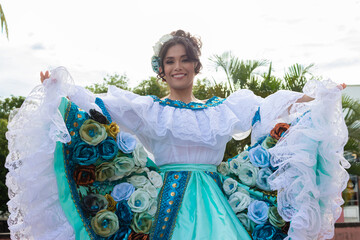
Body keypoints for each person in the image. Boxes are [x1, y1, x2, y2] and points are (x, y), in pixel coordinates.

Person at [6, 30, 348, 240]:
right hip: (163, 205)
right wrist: (57, 88)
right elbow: (97, 105)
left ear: (196, 66)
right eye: (170, 61)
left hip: (218, 203)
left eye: (185, 60)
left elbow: (272, 108)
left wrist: (320, 97)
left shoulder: (222, 109)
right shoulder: (149, 109)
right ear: (161, 69)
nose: (178, 67)